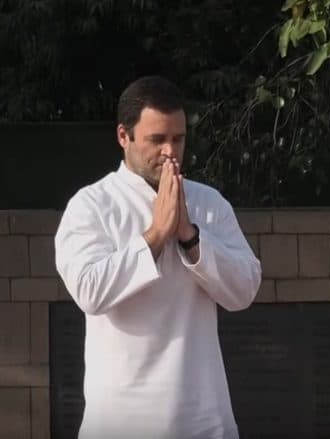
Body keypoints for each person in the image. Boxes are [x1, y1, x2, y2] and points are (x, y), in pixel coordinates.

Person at [54, 76, 262, 439]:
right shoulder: (92, 205)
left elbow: (244, 289)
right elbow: (89, 290)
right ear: (124, 136)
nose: (170, 151)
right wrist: (155, 235)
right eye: (157, 139)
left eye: (178, 139)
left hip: (205, 422)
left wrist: (190, 237)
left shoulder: (208, 203)